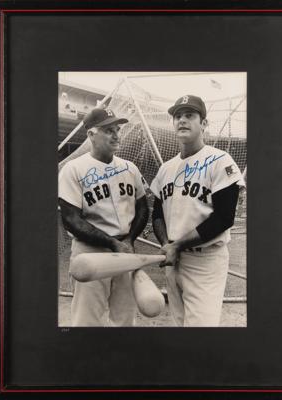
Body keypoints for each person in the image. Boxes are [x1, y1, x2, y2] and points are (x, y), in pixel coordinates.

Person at [150, 95, 245, 327]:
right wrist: (167, 245)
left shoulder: (220, 160)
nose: (182, 120)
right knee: (179, 324)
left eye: (190, 115)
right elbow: (157, 214)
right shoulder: (166, 169)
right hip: (173, 258)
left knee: (201, 329)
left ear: (204, 124)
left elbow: (224, 218)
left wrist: (175, 245)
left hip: (206, 261)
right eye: (177, 116)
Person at [59, 107, 149, 327]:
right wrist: (111, 242)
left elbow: (143, 208)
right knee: (87, 321)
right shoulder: (73, 169)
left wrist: (129, 240)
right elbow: (71, 219)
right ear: (91, 134)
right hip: (91, 251)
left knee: (125, 319)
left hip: (125, 249)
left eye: (117, 129)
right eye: (109, 130)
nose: (117, 135)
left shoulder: (131, 168)